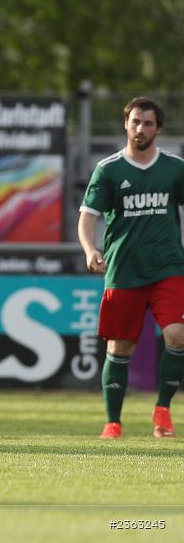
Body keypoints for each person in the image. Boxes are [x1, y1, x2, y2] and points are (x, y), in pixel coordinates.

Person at [78, 96, 184, 440]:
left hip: (168, 266)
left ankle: (163, 409)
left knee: (177, 336)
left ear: (158, 129)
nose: (140, 129)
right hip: (124, 270)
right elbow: (87, 217)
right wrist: (90, 249)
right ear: (126, 124)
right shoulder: (108, 169)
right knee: (120, 347)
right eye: (135, 122)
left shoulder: (174, 168)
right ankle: (113, 422)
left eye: (148, 123)